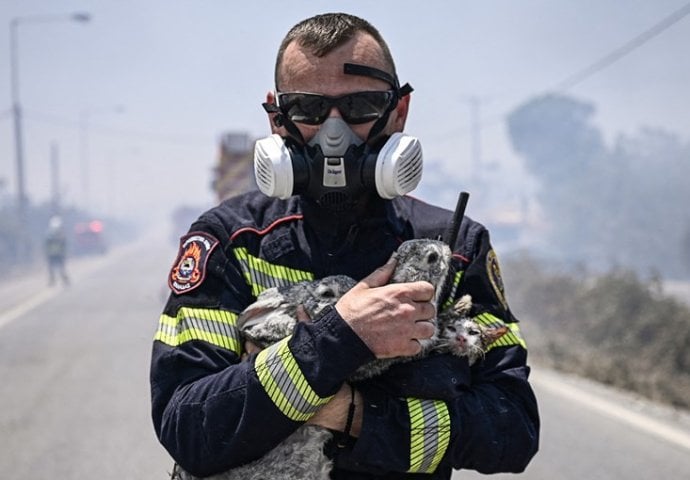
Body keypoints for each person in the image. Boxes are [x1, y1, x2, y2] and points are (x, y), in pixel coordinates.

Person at [150, 12, 539, 479]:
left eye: (360, 107)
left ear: (399, 111)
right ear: (277, 118)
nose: (334, 134)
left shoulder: (452, 248)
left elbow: (512, 432)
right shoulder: (231, 241)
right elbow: (189, 429)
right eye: (309, 110)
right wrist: (341, 335)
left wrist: (354, 415)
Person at [45, 215, 69, 286]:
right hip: (52, 254)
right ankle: (53, 281)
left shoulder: (60, 234)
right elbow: (46, 245)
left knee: (61, 269)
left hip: (58, 254)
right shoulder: (49, 234)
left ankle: (64, 281)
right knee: (52, 269)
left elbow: (64, 244)